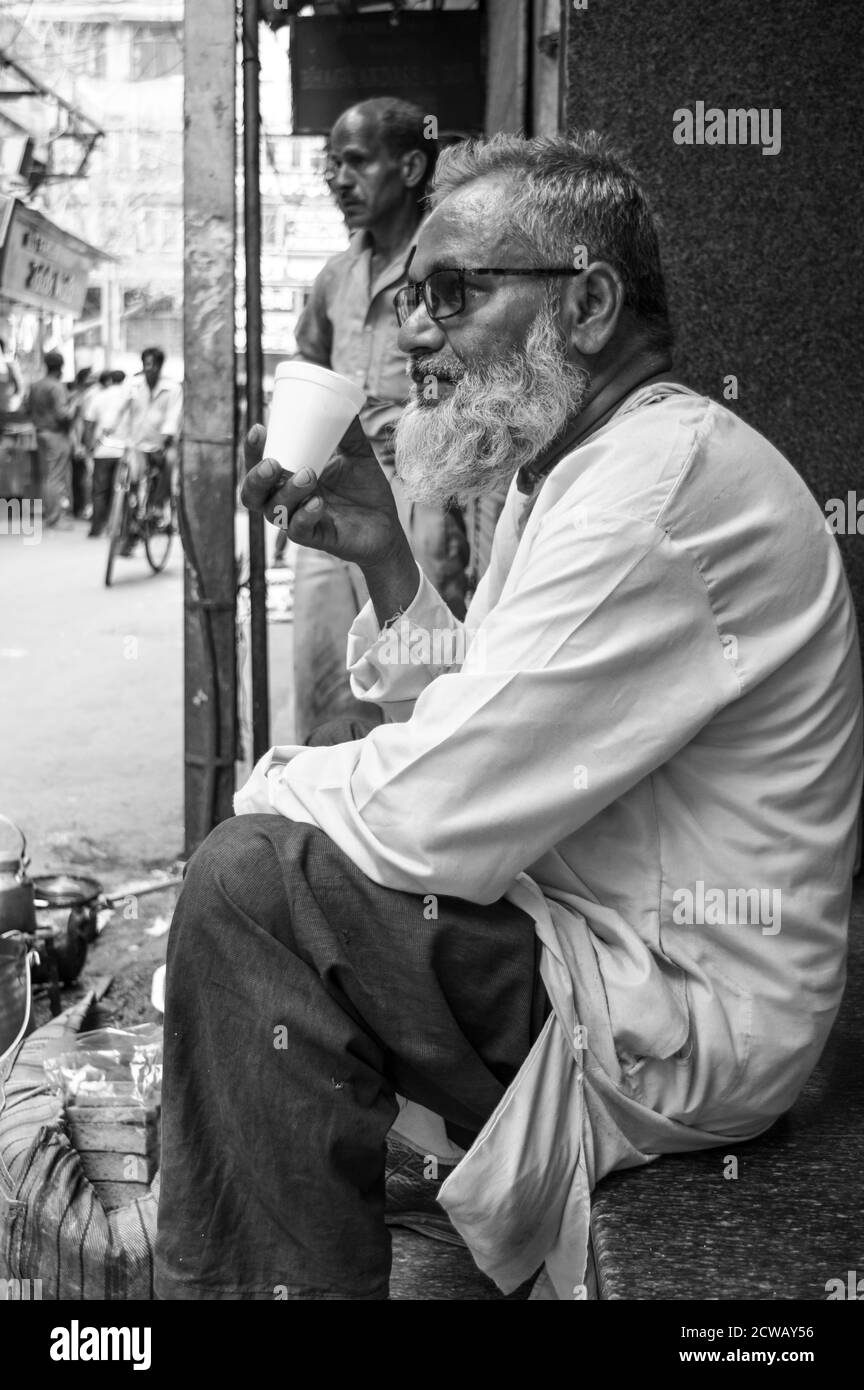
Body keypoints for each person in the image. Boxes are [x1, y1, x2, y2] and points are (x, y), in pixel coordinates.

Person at [155, 132, 863, 1301]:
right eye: (412, 296)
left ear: (587, 303)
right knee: (279, 884)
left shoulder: (655, 494)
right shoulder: (574, 470)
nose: (419, 333)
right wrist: (387, 559)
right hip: (602, 943)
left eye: (455, 293)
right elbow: (488, 711)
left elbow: (435, 810)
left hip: (685, 1014)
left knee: (251, 886)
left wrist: (253, 793)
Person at [280, 97, 469, 744]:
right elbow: (306, 365)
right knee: (325, 674)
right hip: (334, 490)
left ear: (412, 165)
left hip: (423, 491)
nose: (337, 179)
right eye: (331, 165)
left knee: (418, 675)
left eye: (355, 162)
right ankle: (319, 824)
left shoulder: (448, 266)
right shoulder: (335, 277)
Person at [114, 347, 182, 555]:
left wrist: (166, 437)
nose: (148, 368)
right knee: (129, 483)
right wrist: (110, 428)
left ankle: (157, 507)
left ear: (159, 366)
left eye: (151, 364)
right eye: (145, 364)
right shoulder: (133, 385)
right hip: (136, 443)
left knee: (169, 464)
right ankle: (129, 527)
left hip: (161, 444)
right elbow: (120, 409)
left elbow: (173, 416)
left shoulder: (172, 389)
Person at [25, 350, 75, 527]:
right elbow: (63, 414)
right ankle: (54, 517)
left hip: (40, 433)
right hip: (56, 434)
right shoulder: (56, 387)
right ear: (61, 367)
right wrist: (74, 407)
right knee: (55, 477)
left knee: (46, 476)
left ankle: (50, 513)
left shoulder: (35, 385)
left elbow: (26, 408)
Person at [84, 369, 127, 538]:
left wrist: (88, 446)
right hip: (123, 450)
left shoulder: (99, 396)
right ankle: (118, 528)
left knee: (100, 490)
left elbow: (88, 422)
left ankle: (96, 528)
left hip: (102, 449)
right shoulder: (129, 398)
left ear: (109, 380)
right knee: (122, 490)